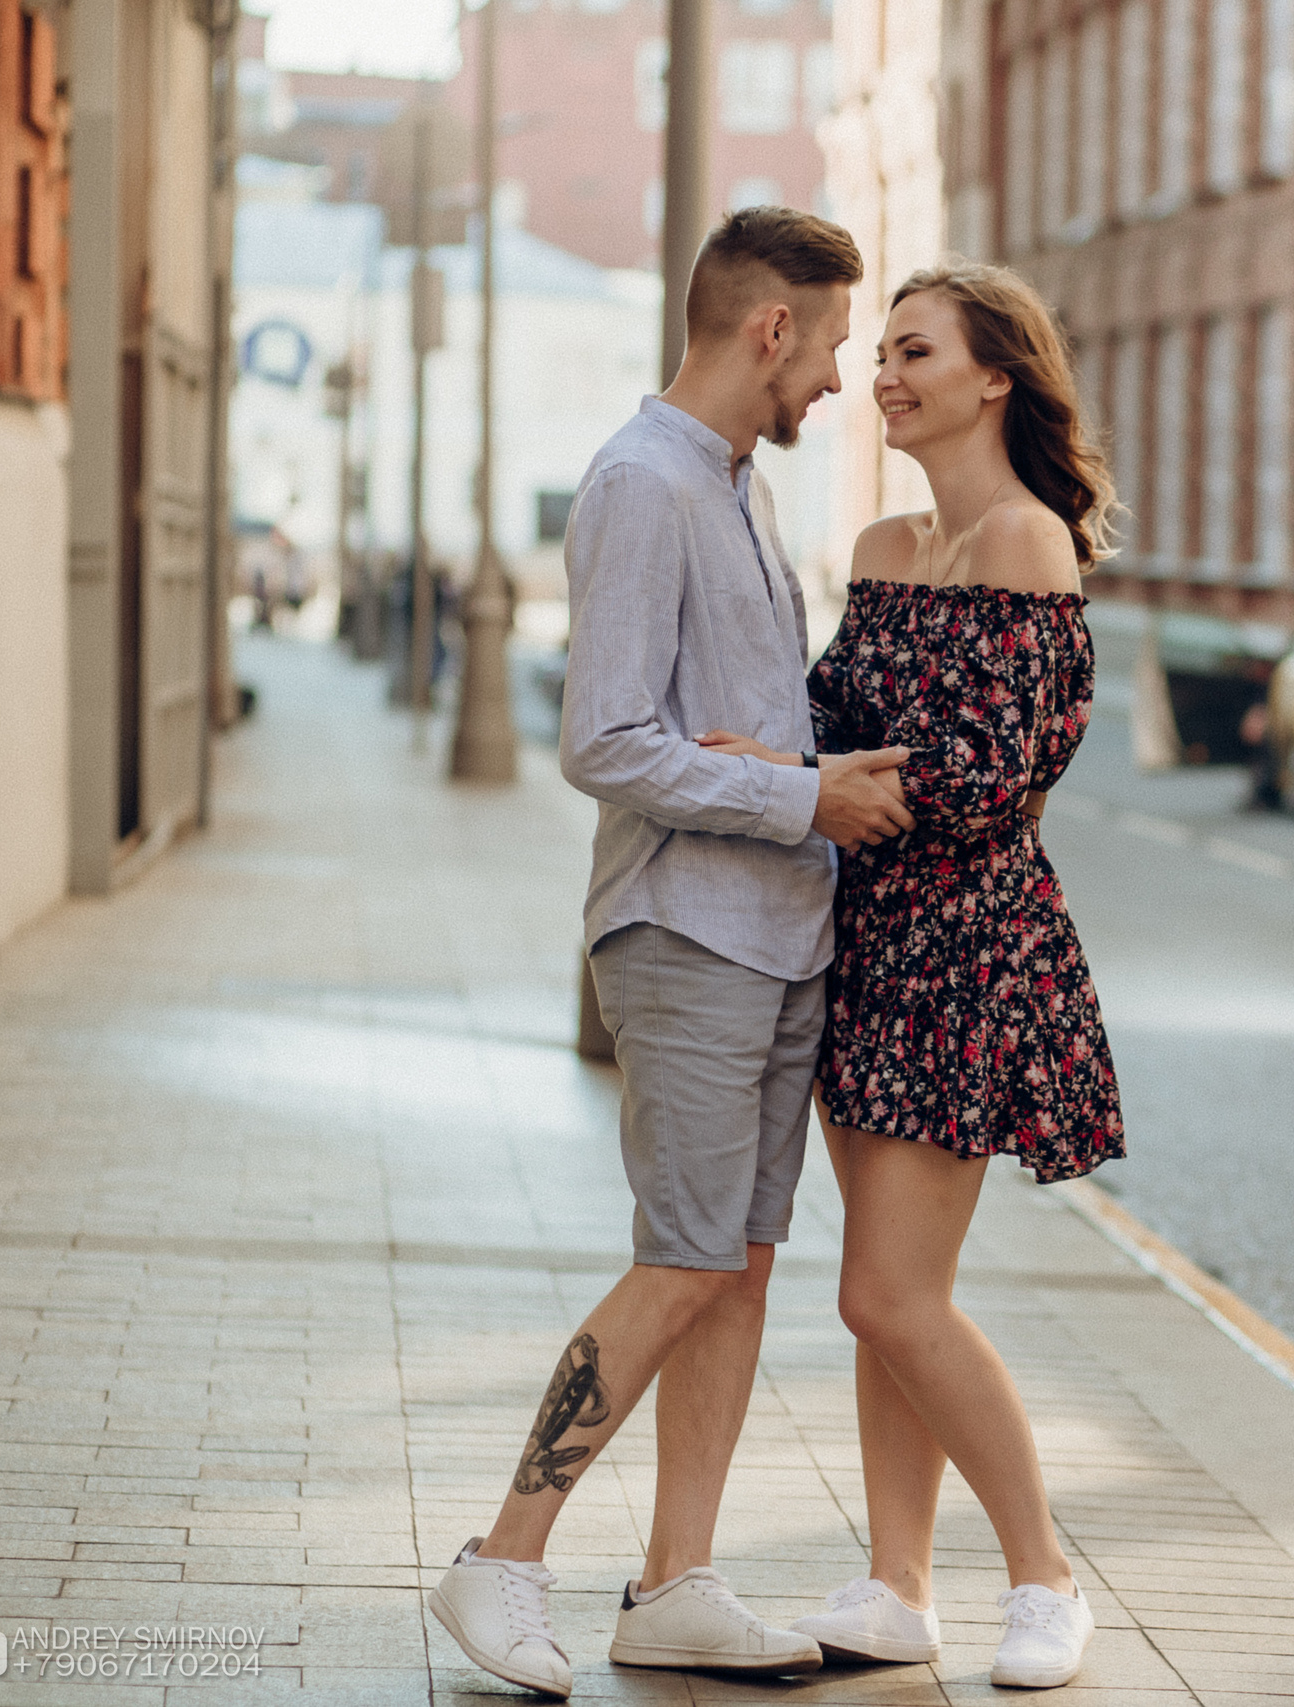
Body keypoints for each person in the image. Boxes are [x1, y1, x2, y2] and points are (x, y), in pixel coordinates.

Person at [424, 207, 915, 1701]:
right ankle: (501, 1562)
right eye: (830, 344)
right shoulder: (645, 484)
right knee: (686, 1258)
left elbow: (714, 719)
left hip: (775, 935)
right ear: (771, 329)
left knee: (740, 1264)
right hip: (685, 936)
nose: (836, 380)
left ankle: (677, 1584)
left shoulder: (734, 483)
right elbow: (606, 741)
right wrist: (798, 791)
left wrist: (790, 768)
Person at [695, 261, 1125, 1689]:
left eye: (916, 351)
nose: (883, 375)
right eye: (877, 354)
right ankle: (896, 1584)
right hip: (861, 943)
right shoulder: (884, 543)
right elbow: (819, 717)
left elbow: (1001, 776)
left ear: (997, 375)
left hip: (968, 953)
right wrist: (789, 767)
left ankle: (1047, 1581)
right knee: (884, 1292)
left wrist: (818, 780)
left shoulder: (1025, 543)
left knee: (890, 1296)